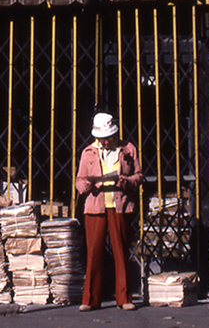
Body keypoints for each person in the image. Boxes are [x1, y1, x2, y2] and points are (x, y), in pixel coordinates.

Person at [75, 112, 144, 311]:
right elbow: (79, 179)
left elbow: (139, 175)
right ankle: (90, 299)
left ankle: (124, 298)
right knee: (94, 252)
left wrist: (128, 181)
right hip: (95, 206)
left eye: (109, 138)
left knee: (121, 251)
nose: (106, 142)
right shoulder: (88, 152)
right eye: (102, 139)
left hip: (119, 205)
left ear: (115, 135)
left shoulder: (128, 149)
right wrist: (85, 187)